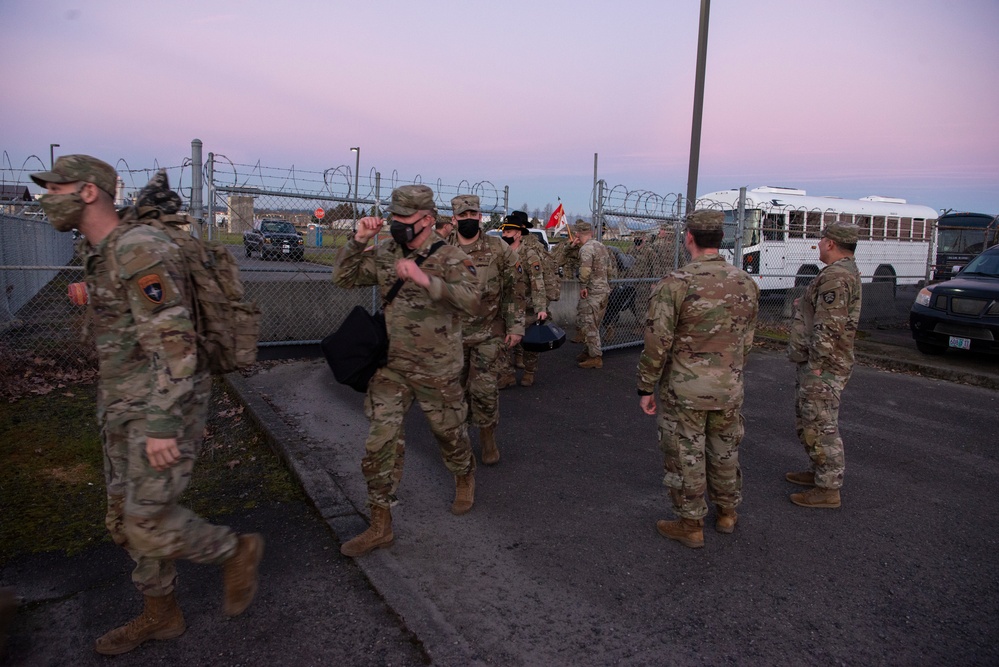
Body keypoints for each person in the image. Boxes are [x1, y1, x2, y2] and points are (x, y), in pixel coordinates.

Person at [31, 155, 263, 655]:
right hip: (121, 404)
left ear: (89, 191)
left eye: (56, 187)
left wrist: (162, 424)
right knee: (123, 520)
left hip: (161, 406)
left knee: (146, 520)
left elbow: (177, 345)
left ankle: (235, 550)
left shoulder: (137, 250)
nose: (48, 197)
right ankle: (162, 615)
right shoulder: (103, 251)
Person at [332, 185, 481, 557]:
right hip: (393, 367)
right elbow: (343, 278)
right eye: (394, 219)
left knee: (449, 434)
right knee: (380, 442)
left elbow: (473, 300)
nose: (398, 226)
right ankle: (380, 525)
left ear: (429, 220)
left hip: (438, 368)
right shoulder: (386, 253)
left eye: (406, 221)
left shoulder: (450, 257)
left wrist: (426, 280)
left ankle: (464, 474)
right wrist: (357, 240)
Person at [637, 210, 759, 549]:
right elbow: (746, 341)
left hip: (686, 389)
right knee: (724, 450)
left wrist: (646, 386)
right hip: (729, 386)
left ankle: (690, 523)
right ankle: (727, 513)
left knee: (685, 451)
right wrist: (729, 371)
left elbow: (657, 342)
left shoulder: (675, 283)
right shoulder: (746, 283)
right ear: (720, 239)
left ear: (688, 237)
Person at [785, 222, 862, 508]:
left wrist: (817, 365)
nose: (818, 244)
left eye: (821, 240)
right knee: (810, 420)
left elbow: (829, 326)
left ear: (830, 243)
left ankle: (828, 488)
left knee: (821, 423)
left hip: (823, 366)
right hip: (823, 361)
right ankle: (820, 471)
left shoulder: (837, 276)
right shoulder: (842, 272)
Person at [451, 194, 525, 464]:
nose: (469, 219)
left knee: (484, 392)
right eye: (463, 216)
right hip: (450, 337)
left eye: (473, 215)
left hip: (487, 333)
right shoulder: (440, 249)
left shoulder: (497, 249)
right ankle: (459, 446)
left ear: (480, 217)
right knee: (453, 395)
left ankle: (487, 437)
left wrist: (516, 325)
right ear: (454, 219)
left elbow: (514, 289)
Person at [499, 211, 549, 387]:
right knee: (503, 342)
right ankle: (507, 375)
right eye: (504, 232)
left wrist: (540, 308)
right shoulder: (500, 253)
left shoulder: (529, 255)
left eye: (508, 232)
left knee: (529, 344)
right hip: (505, 306)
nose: (505, 235)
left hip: (525, 305)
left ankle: (529, 371)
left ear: (518, 234)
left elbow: (537, 283)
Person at [573, 221, 612, 368]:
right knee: (594, 322)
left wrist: (583, 285)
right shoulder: (601, 246)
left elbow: (585, 271)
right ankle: (588, 350)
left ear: (577, 233)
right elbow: (609, 269)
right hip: (603, 290)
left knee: (588, 323)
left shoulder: (586, 249)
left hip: (592, 291)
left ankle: (595, 357)